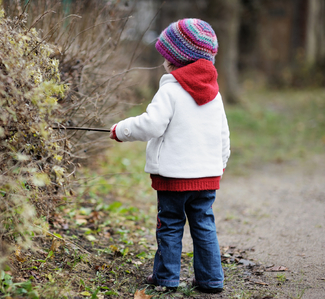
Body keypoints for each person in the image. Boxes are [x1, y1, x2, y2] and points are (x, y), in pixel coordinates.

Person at [109, 18, 230, 294]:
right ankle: (211, 280)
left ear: (177, 59)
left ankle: (166, 278)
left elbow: (151, 125)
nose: (163, 59)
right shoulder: (215, 94)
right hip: (207, 177)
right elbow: (223, 135)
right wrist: (218, 165)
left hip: (174, 177)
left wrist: (121, 130)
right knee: (203, 224)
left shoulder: (171, 90)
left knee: (171, 225)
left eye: (166, 55)